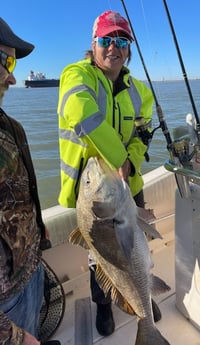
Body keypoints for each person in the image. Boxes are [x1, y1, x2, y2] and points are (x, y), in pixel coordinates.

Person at [57, 10, 161, 337]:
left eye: (121, 40)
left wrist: (130, 159)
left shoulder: (140, 92)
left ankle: (141, 296)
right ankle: (104, 305)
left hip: (127, 184)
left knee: (137, 248)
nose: (113, 47)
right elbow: (79, 110)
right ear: (94, 44)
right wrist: (117, 156)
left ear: (128, 48)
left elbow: (144, 134)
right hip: (95, 195)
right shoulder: (77, 75)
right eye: (106, 40)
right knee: (100, 257)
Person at [0, 18, 60, 345]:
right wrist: (13, 336)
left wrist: (37, 225)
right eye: (5, 61)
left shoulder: (11, 126)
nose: (12, 76)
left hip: (31, 268)